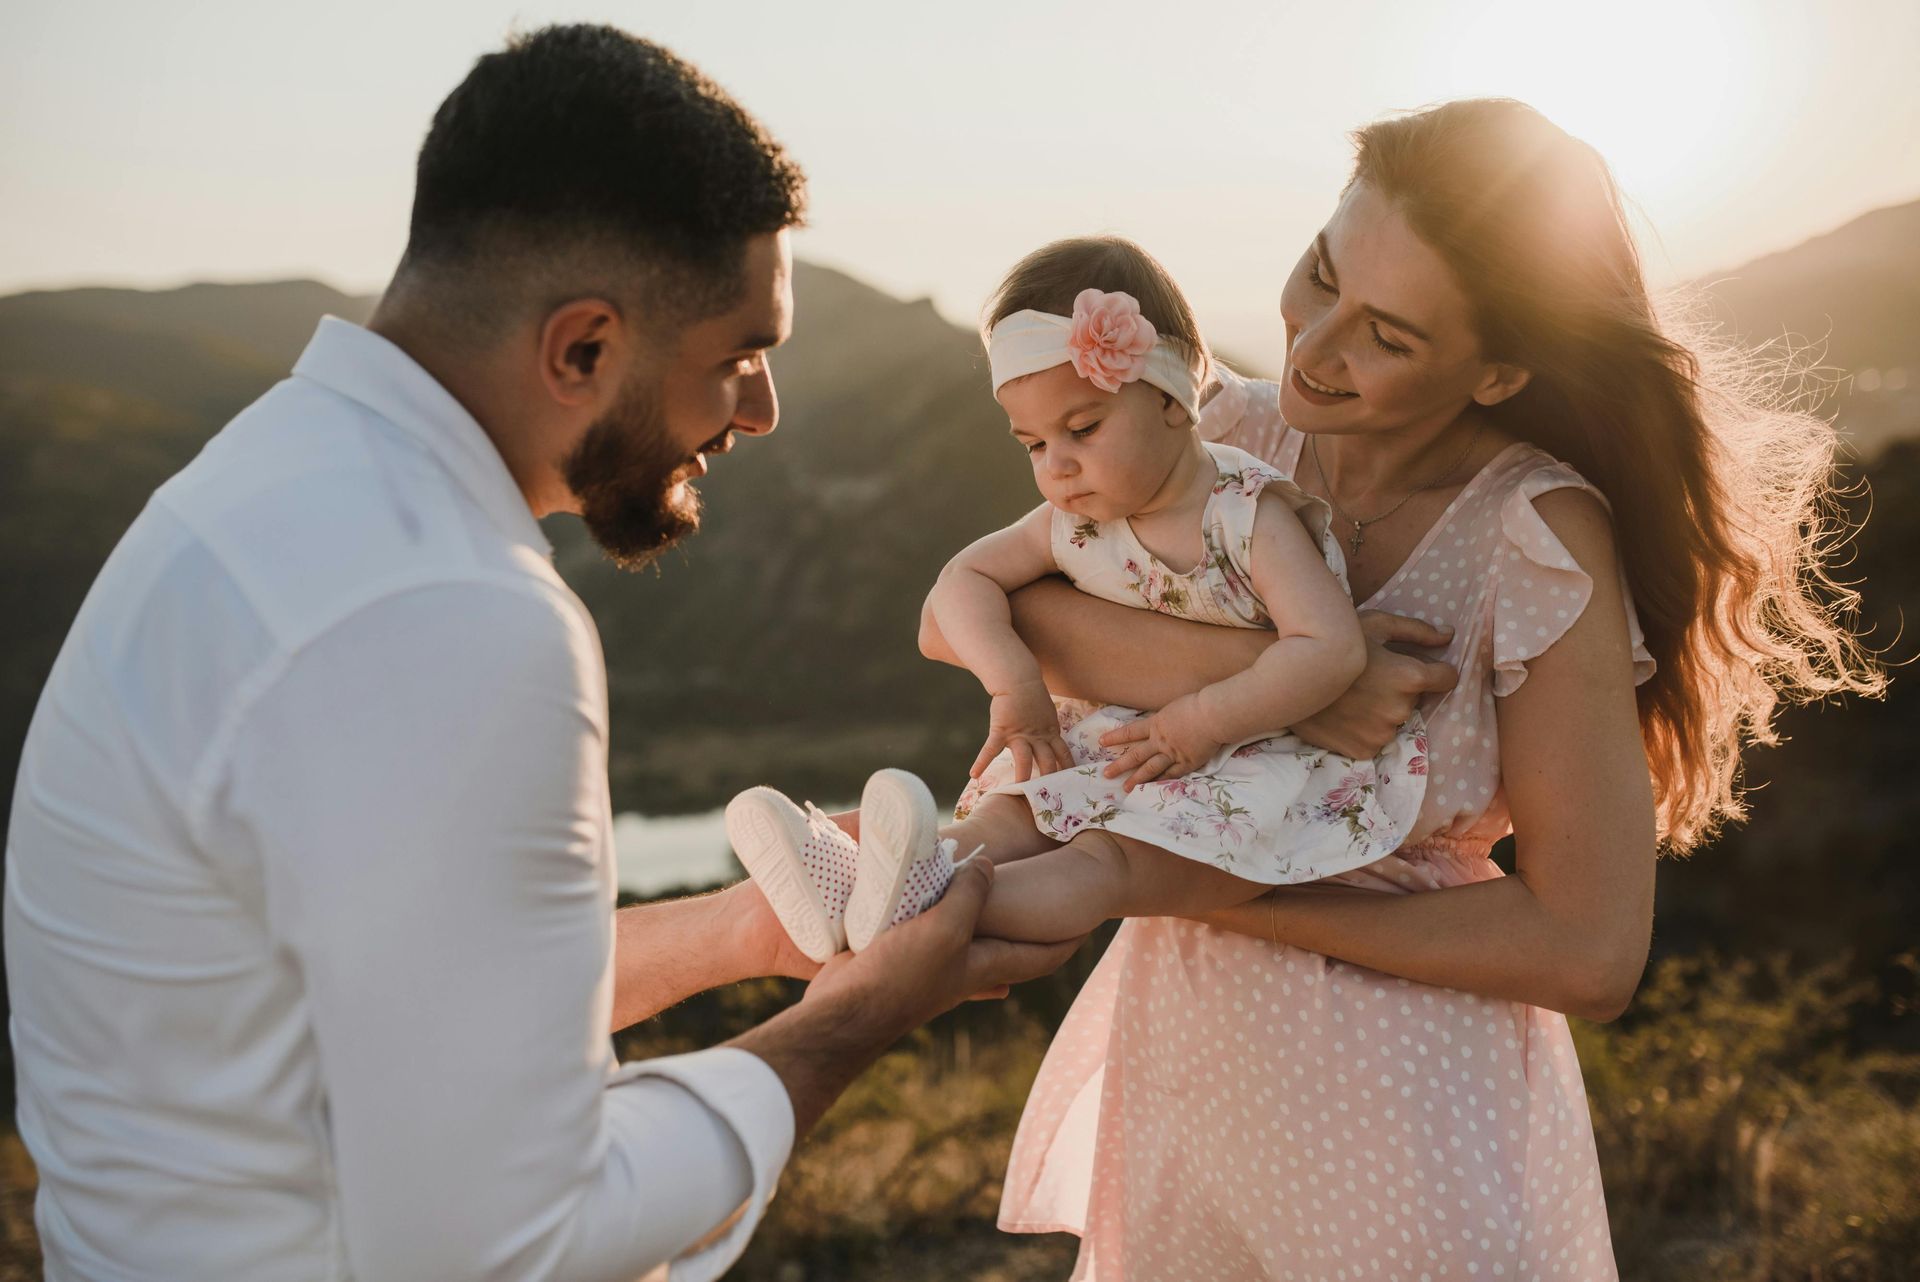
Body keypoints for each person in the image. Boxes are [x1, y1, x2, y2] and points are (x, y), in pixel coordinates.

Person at [2, 25, 1074, 1282]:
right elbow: (512, 1239)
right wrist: (854, 1019)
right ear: (581, 348)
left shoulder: (260, 485)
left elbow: (419, 1007)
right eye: (737, 357)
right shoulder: (452, 612)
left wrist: (742, 934)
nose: (761, 411)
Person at [925, 100, 1884, 1279]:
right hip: (1189, 1076)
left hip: (1398, 1113)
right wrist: (1293, 683)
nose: (1314, 347)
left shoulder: (1534, 536)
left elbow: (1586, 947)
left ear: (1498, 368)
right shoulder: (1220, 438)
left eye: (1385, 334)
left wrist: (1230, 895)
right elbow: (988, 609)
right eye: (1321, 273)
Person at [723, 238, 1428, 962]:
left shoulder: (1248, 514)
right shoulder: (1077, 522)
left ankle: (916, 911)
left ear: (1173, 400)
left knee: (1100, 866)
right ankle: (864, 884)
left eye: (1083, 429)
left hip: (1246, 760)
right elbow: (959, 584)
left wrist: (1202, 720)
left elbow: (1331, 647)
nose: (1057, 466)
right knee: (1010, 817)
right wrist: (1014, 685)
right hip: (1114, 744)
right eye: (1032, 444)